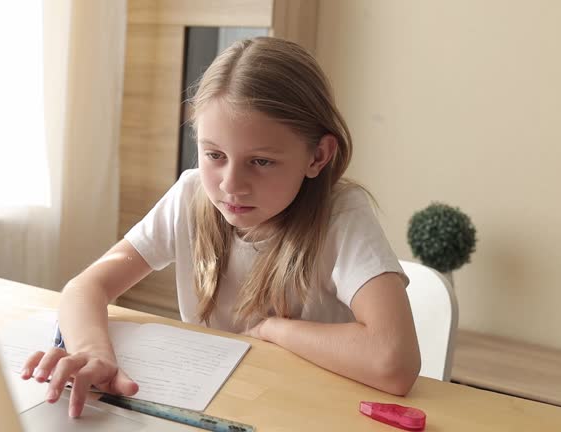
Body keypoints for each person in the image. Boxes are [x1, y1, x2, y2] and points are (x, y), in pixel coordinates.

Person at [21, 36, 421, 418]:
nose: (231, 184)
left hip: (307, 411)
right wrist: (93, 351)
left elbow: (393, 360)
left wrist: (272, 330)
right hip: (218, 403)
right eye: (214, 154)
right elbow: (85, 287)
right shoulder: (190, 195)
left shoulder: (342, 216)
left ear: (317, 156)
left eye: (261, 161)